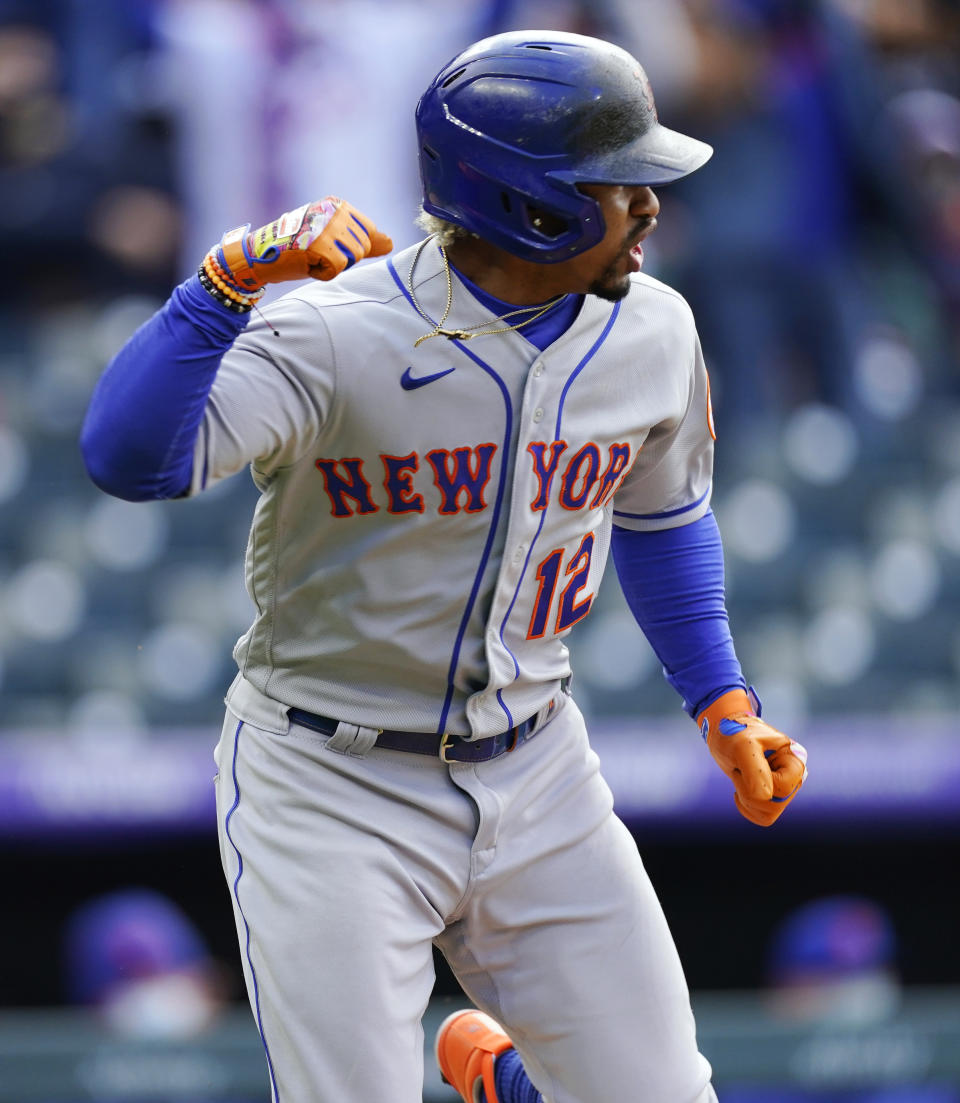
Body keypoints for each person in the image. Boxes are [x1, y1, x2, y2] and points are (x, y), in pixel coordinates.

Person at [80, 29, 808, 1103]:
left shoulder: (654, 327)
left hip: (539, 761)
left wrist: (723, 699)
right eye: (617, 182)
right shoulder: (339, 331)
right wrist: (223, 285)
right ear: (531, 202)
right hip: (333, 776)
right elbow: (129, 458)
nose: (649, 203)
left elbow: (660, 521)